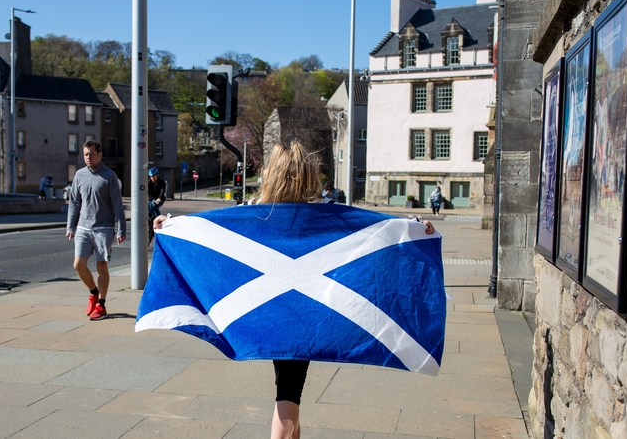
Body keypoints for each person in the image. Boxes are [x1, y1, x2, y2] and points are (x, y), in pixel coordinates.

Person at [153, 141, 435, 439]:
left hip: (268, 312)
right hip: (309, 315)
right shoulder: (328, 214)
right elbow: (373, 230)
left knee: (289, 387)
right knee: (288, 392)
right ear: (307, 174)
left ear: (270, 174)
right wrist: (414, 227)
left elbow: (210, 228)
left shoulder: (252, 212)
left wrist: (172, 225)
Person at [66, 141, 127, 321]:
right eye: (85, 154)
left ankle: (101, 305)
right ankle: (93, 292)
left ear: (100, 155)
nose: (88, 158)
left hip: (103, 228)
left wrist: (121, 229)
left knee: (101, 266)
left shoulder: (109, 176)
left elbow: (117, 204)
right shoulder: (79, 175)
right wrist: (71, 226)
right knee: (78, 265)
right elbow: (75, 202)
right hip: (83, 227)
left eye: (91, 154)